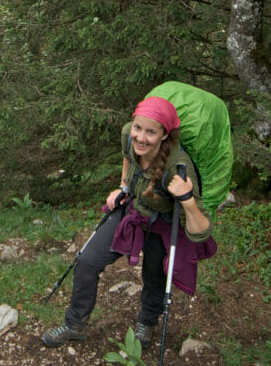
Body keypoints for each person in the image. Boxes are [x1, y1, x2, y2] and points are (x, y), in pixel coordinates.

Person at [42, 95, 217, 348]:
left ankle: (146, 323)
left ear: (165, 135)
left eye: (151, 132)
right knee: (87, 260)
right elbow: (129, 154)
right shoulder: (128, 135)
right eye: (138, 128)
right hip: (133, 210)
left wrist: (187, 199)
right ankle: (75, 324)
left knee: (155, 277)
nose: (141, 137)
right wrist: (124, 185)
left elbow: (201, 231)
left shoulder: (179, 169)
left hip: (163, 223)